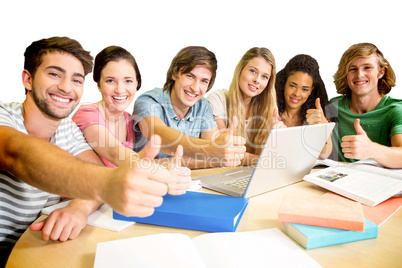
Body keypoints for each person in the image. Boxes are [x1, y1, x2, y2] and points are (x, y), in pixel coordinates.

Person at [0, 37, 183, 265]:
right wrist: (108, 184)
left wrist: (79, 207)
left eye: (76, 80)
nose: (66, 87)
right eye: (54, 74)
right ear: (28, 79)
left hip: (37, 247)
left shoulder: (66, 127)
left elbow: (95, 169)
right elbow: (17, 154)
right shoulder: (4, 116)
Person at [72, 46, 190, 194]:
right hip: (82, 200)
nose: (120, 90)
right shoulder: (88, 114)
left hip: (114, 198)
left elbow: (136, 162)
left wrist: (168, 168)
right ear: (98, 84)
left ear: (137, 83)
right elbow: (115, 153)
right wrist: (163, 177)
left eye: (128, 81)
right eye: (110, 81)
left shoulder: (130, 121)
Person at [133, 46, 246, 168]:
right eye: (190, 76)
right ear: (174, 74)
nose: (195, 88)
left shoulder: (203, 106)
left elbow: (216, 152)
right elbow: (159, 136)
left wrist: (220, 151)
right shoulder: (148, 100)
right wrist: (211, 151)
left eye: (204, 81)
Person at [207, 47, 285, 165]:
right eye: (253, 71)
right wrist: (264, 161)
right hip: (224, 172)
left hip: (254, 174)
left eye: (264, 77)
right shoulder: (218, 99)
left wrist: (277, 138)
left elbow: (277, 155)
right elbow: (225, 152)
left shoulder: (269, 107)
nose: (257, 80)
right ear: (240, 70)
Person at [329, 42, 402, 168]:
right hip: (337, 181)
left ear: (381, 72)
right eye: (353, 69)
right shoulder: (333, 107)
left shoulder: (395, 110)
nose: (359, 75)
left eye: (367, 67)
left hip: (379, 184)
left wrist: (372, 149)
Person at [275, 54, 332, 159]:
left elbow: (324, 155)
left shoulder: (315, 117)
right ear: (284, 83)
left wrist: (323, 126)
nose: (297, 94)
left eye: (305, 89)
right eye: (292, 86)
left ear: (311, 90)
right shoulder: (271, 110)